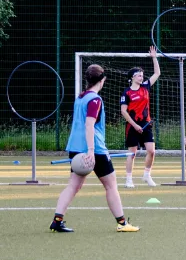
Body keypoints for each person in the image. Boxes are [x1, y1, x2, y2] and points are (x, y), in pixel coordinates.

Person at [51, 64, 138, 232]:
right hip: (94, 149)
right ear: (102, 80)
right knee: (111, 185)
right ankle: (122, 223)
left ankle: (57, 220)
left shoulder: (80, 97)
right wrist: (91, 150)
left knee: (73, 186)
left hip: (75, 148)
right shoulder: (95, 99)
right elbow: (89, 124)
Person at [120, 46, 161, 188]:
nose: (141, 77)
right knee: (132, 153)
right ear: (132, 77)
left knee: (151, 151)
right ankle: (129, 179)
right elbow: (123, 111)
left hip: (146, 124)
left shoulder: (146, 87)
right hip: (132, 125)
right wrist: (135, 125)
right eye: (138, 75)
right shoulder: (127, 93)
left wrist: (154, 57)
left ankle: (146, 175)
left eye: (142, 75)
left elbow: (157, 73)